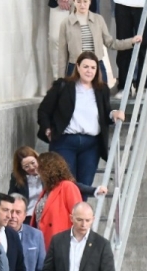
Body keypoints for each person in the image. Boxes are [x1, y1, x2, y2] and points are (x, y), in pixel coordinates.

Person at [36, 51, 126, 188]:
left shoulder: (102, 89)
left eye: (93, 67)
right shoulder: (63, 85)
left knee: (85, 186)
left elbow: (105, 112)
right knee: (65, 185)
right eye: (85, 66)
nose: (89, 71)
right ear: (77, 67)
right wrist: (47, 129)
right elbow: (44, 110)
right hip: (65, 142)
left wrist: (114, 113)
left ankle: (81, 204)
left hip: (91, 145)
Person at [57, 0, 140, 84]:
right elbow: (62, 55)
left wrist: (131, 41)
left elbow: (111, 43)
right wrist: (61, 81)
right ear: (74, 2)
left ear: (90, 2)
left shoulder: (98, 20)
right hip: (75, 67)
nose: (82, 5)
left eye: (85, 1)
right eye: (79, 2)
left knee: (100, 91)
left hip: (97, 66)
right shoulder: (65, 23)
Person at [113, 0, 147, 92]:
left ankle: (143, 86)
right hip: (122, 3)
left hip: (145, 4)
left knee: (144, 47)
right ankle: (124, 86)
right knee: (123, 46)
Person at [8, 147, 44, 218]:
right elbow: (11, 197)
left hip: (45, 213)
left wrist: (41, 175)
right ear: (21, 168)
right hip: (27, 214)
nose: (31, 167)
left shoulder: (47, 172)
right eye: (26, 166)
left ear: (37, 159)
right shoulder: (16, 177)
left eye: (33, 163)